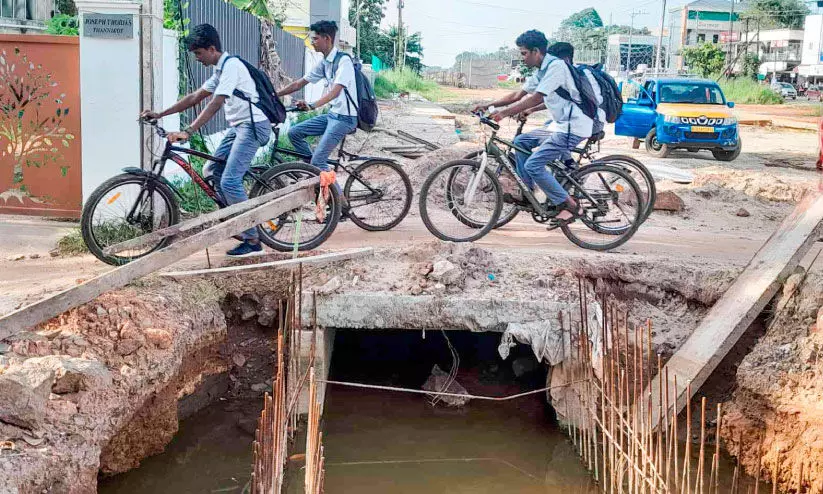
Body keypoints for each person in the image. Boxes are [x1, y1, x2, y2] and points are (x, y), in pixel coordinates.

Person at [140, 24, 271, 257]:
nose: (197, 58)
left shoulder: (231, 67)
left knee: (230, 181)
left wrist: (188, 131)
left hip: (253, 126)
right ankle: (236, 218)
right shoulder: (219, 70)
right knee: (212, 169)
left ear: (212, 49)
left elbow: (216, 102)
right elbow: (194, 97)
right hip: (239, 127)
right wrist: (159, 114)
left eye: (199, 53)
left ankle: (253, 240)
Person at [490, 32, 594, 224]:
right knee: (520, 142)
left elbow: (537, 98)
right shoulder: (541, 71)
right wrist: (489, 105)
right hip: (560, 126)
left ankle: (571, 207)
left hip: (573, 128)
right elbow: (517, 95)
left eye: (524, 53)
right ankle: (526, 192)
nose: (522, 58)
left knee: (533, 165)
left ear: (536, 51)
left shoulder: (556, 67)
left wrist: (504, 113)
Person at [276, 20, 358, 207]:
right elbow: (300, 83)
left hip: (345, 118)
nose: (312, 42)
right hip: (332, 116)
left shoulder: (343, 61)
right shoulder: (325, 63)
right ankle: (313, 169)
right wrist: (273, 94)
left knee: (320, 159)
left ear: (326, 39)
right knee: (294, 133)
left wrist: (312, 106)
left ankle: (340, 204)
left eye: (315, 38)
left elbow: (335, 92)